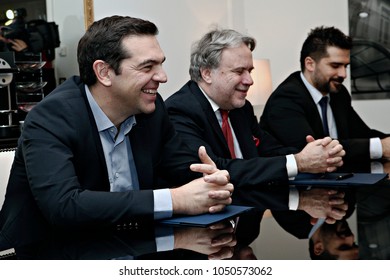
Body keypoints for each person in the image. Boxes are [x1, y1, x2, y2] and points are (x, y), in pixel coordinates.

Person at [0, 16, 234, 248]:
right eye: (147, 66)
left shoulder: (152, 110)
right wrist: (175, 199)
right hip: (47, 255)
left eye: (161, 64)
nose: (163, 77)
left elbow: (180, 168)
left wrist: (210, 182)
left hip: (131, 246)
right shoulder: (51, 117)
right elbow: (65, 206)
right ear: (104, 72)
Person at [165, 28, 347, 223]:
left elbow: (269, 150)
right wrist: (298, 162)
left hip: (248, 217)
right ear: (207, 73)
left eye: (250, 71)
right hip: (205, 229)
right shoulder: (180, 110)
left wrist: (317, 155)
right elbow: (216, 169)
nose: (249, 80)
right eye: (239, 71)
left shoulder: (240, 108)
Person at [260, 26, 390, 165]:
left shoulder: (338, 93)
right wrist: (380, 147)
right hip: (296, 184)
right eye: (335, 66)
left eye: (345, 66)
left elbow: (363, 134)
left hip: (337, 178)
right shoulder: (285, 98)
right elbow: (316, 151)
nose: (343, 74)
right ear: (310, 64)